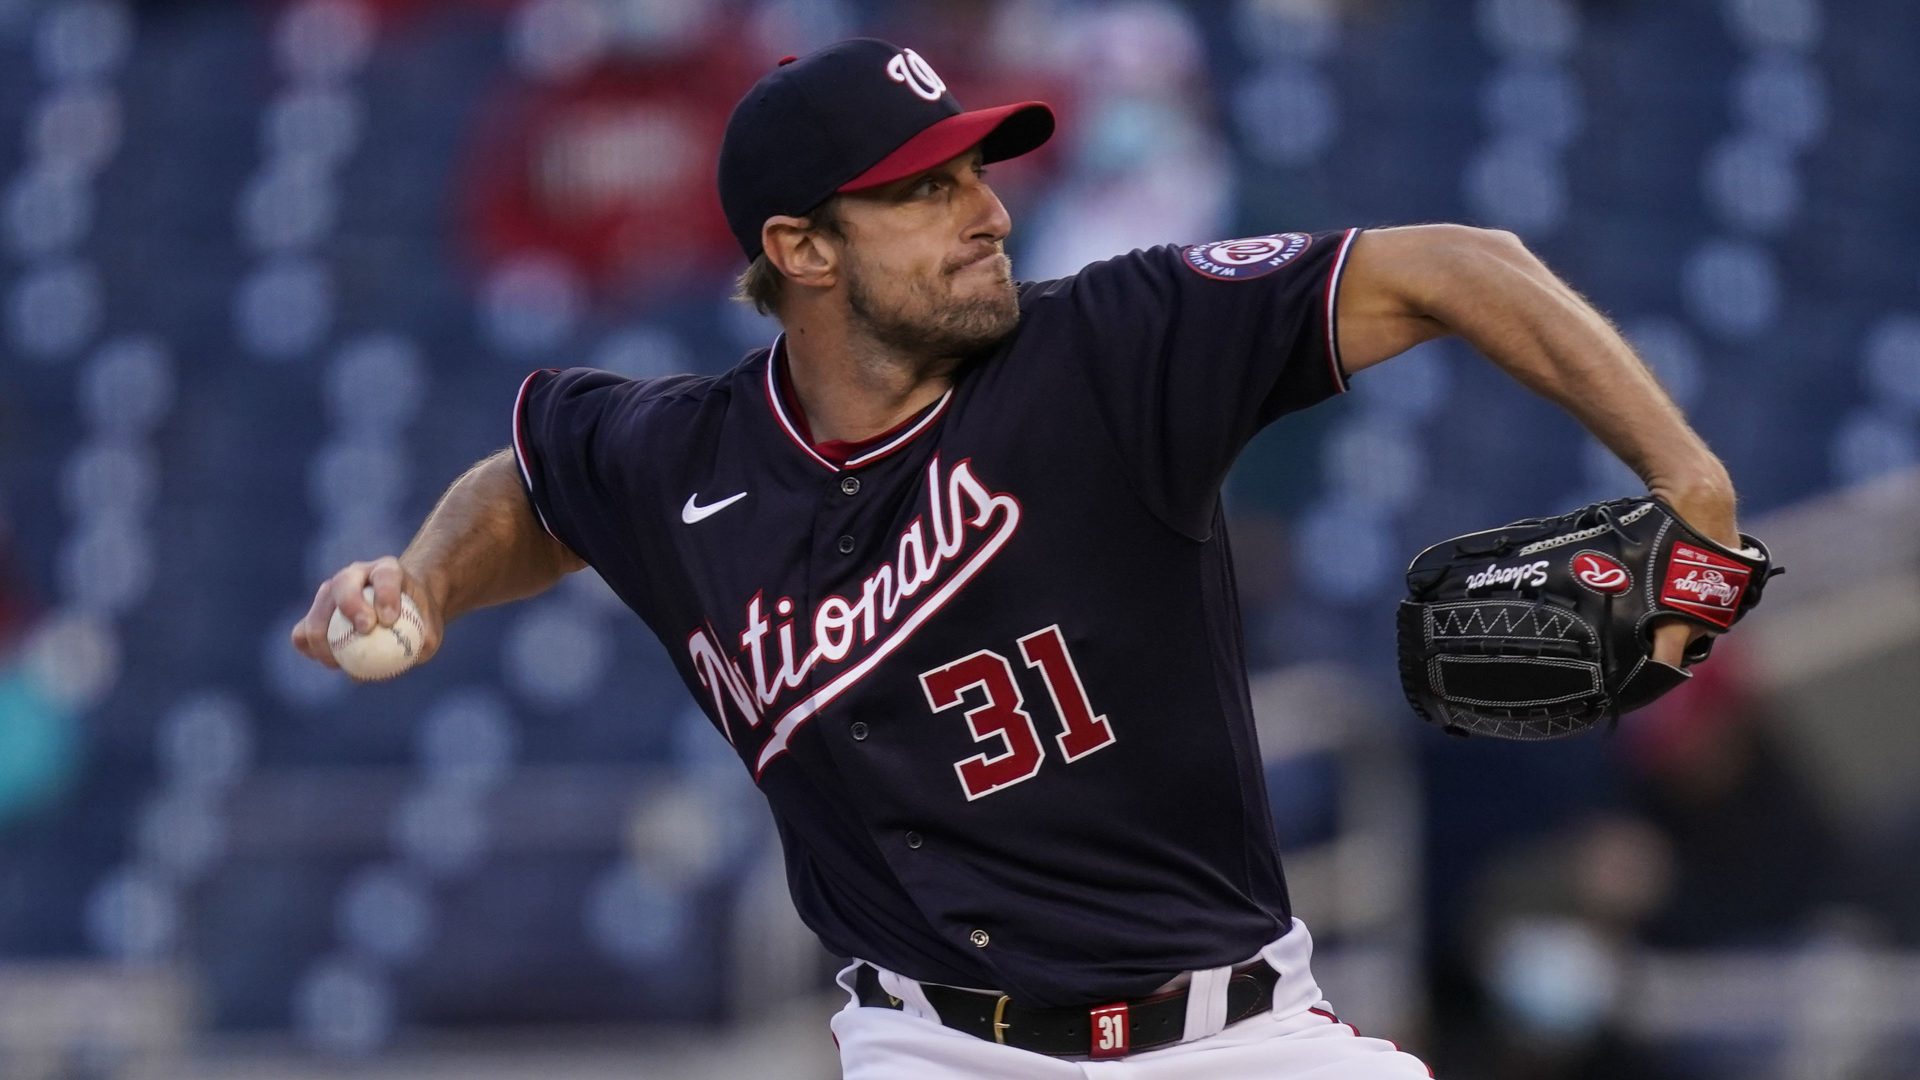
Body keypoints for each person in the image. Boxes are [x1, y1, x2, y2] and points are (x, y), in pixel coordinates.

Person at [291, 38, 1739, 1078]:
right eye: (924, 190)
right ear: (802, 247)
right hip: (935, 1048)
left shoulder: (1112, 348)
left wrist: (1691, 486)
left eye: (977, 172)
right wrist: (426, 580)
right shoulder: (681, 458)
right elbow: (533, 487)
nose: (986, 209)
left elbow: (1458, 266)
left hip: (1233, 1038)